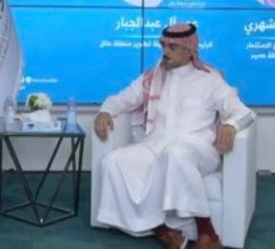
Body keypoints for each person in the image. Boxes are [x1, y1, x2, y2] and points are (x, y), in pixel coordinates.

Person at [93, 23, 255, 249]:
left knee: (175, 153)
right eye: (163, 46)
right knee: (113, 161)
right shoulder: (152, 78)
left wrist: (231, 125)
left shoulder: (211, 80)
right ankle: (164, 231)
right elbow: (120, 99)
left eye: (172, 47)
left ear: (189, 51)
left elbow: (242, 111)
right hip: (156, 144)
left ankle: (208, 233)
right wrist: (106, 111)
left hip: (198, 148)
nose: (165, 51)